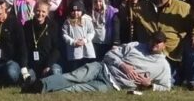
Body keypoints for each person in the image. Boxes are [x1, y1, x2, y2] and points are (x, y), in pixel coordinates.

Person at [35, 32, 173, 94]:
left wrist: (150, 86)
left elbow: (167, 87)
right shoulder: (135, 45)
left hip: (113, 85)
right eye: (152, 40)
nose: (154, 43)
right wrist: (122, 65)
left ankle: (49, 93)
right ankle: (40, 85)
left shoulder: (163, 66)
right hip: (102, 68)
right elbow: (110, 53)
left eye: (158, 42)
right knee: (74, 77)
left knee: (77, 89)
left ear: (164, 45)